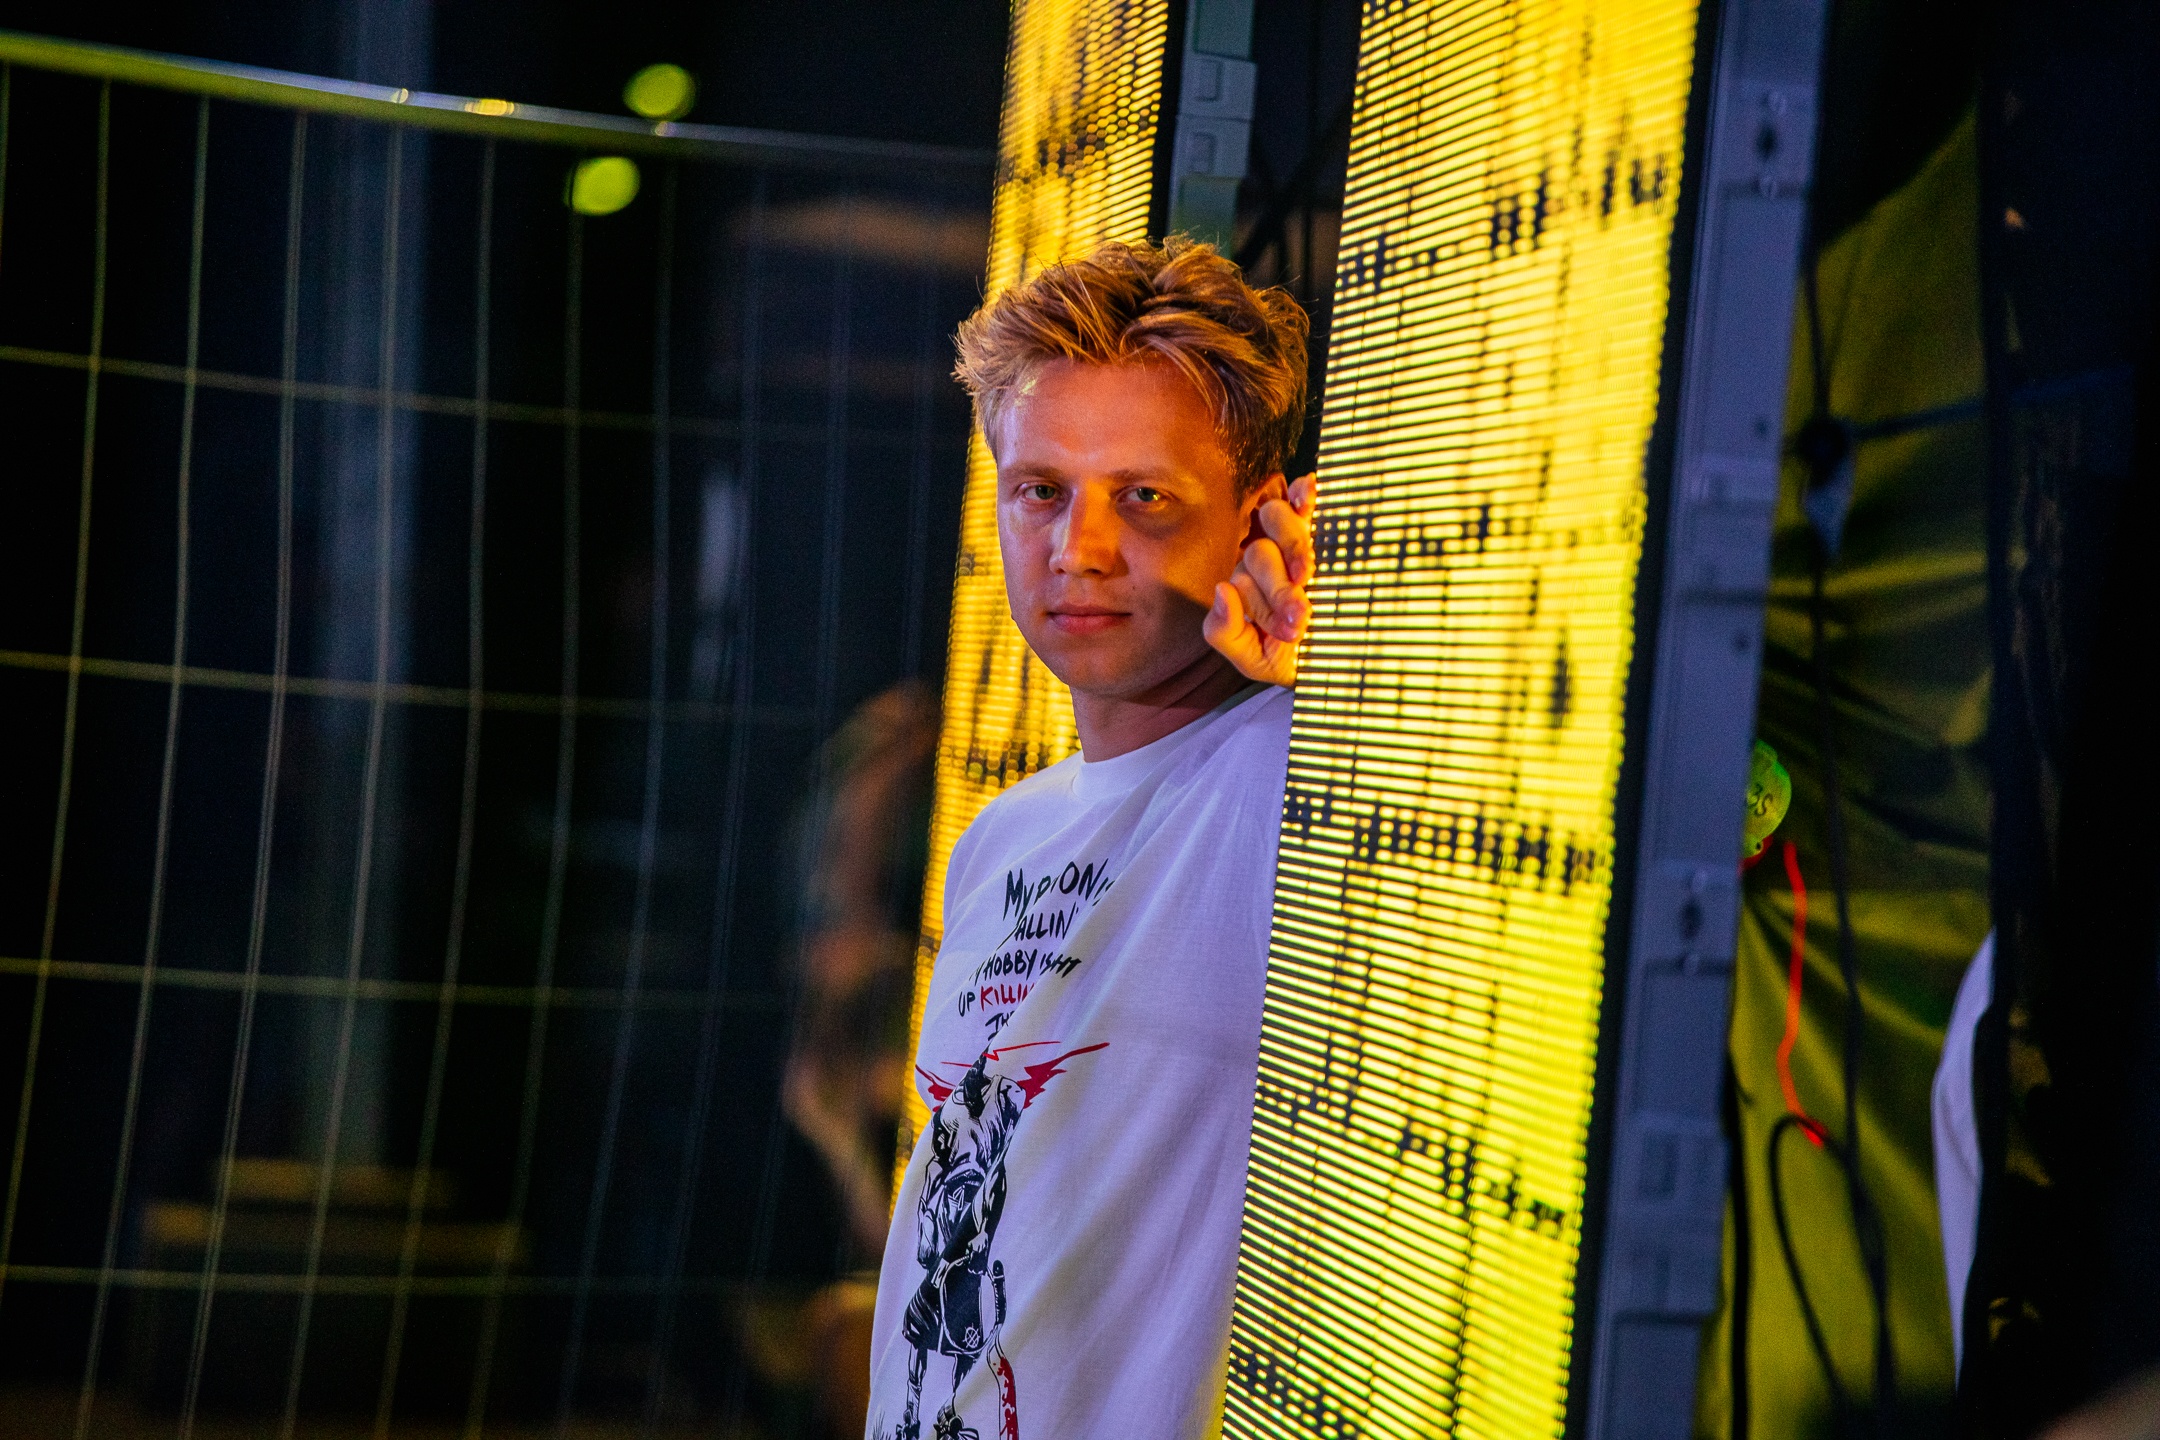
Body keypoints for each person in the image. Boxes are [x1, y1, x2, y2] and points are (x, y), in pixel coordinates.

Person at [865, 237, 1315, 1440]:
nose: (1081, 549)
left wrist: (1340, 673)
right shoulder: (1001, 835)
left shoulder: (1291, 775)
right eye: (1042, 491)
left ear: (1265, 516)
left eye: (1144, 496)